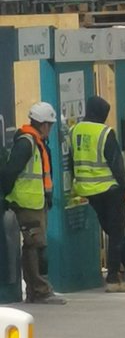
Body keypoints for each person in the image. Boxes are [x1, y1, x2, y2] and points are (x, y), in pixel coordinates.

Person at [71, 95, 125, 293]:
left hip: (88, 190)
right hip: (110, 189)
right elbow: (117, 165)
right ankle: (113, 279)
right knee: (116, 235)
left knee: (114, 234)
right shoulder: (105, 133)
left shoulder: (74, 130)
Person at [1, 102, 67, 305]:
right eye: (50, 124)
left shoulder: (35, 142)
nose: (52, 129)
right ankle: (39, 291)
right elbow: (11, 171)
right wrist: (6, 195)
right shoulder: (27, 143)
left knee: (37, 247)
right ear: (44, 124)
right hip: (26, 203)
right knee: (34, 247)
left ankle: (36, 290)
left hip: (35, 203)